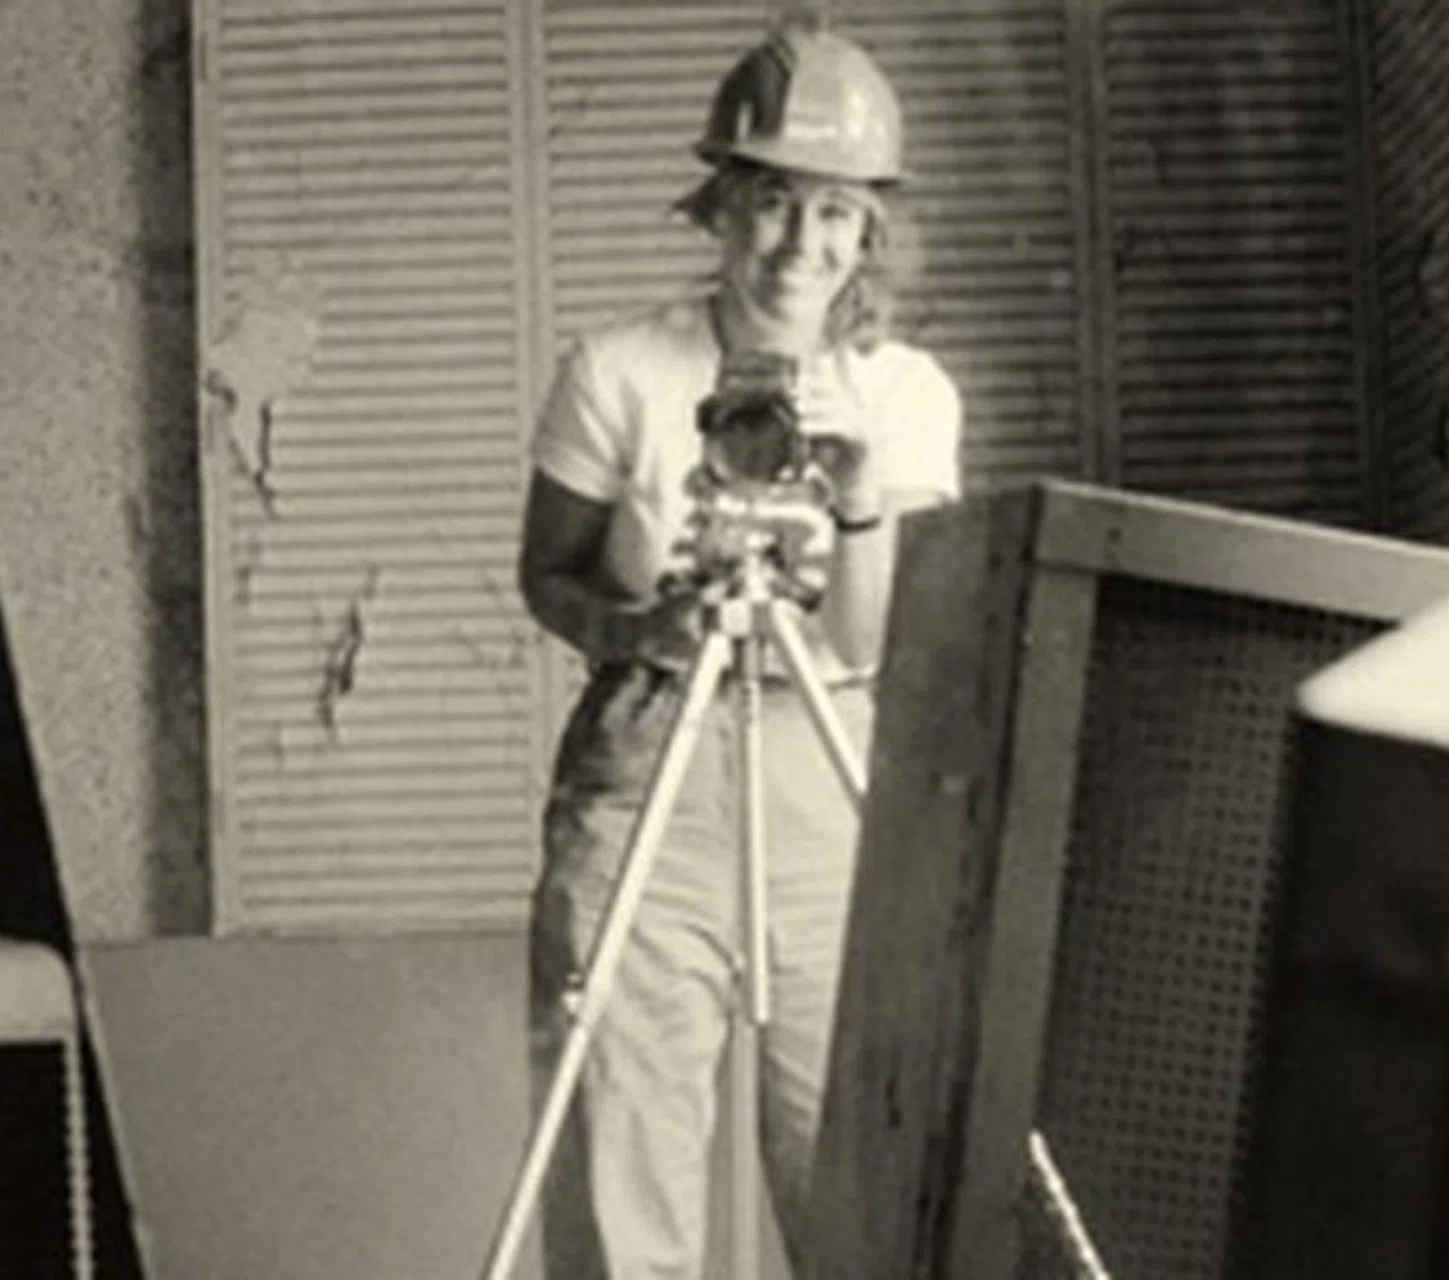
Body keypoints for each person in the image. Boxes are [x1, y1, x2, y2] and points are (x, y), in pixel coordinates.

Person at [517, 16, 963, 1278]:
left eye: (833, 215)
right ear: (720, 206)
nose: (798, 245)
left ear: (870, 230)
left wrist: (860, 491)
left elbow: (870, 643)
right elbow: (544, 574)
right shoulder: (618, 369)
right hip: (652, 741)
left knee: (851, 1159)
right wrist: (639, 624)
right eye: (771, 203)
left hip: (827, 766)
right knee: (622, 1145)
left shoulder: (907, 394)